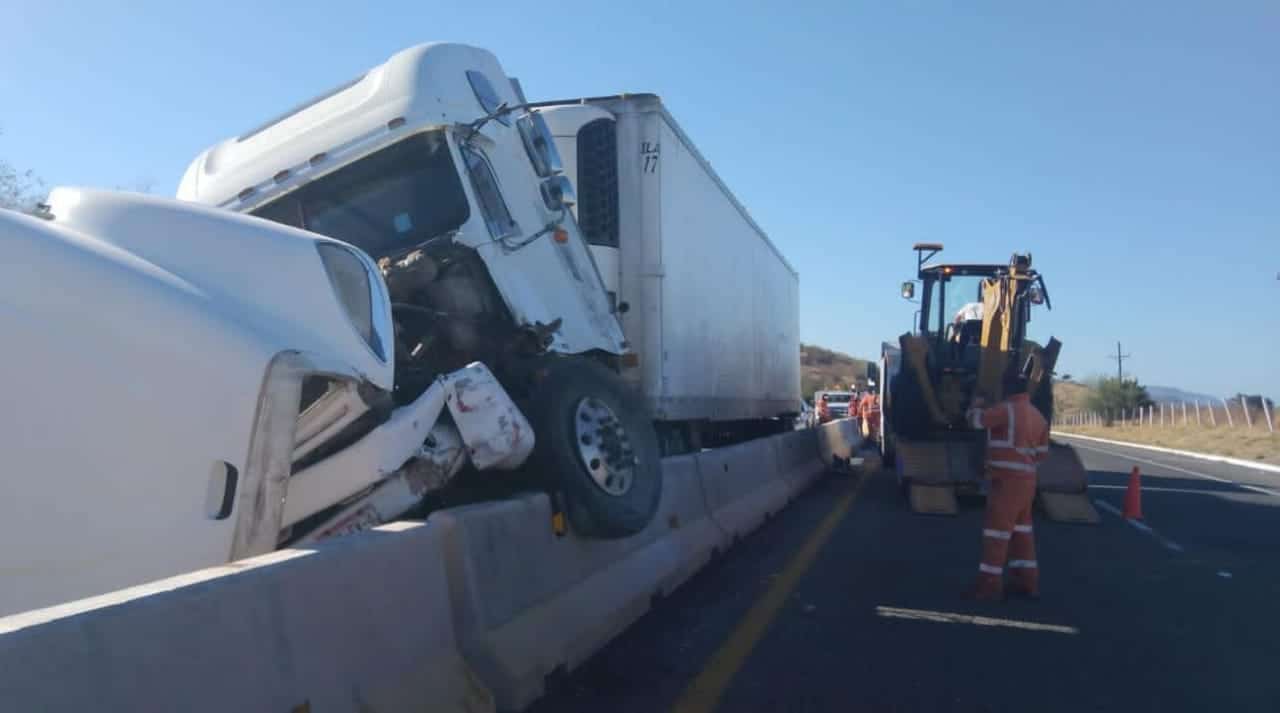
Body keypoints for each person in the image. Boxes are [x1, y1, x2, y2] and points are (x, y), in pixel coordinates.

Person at [965, 373, 1050, 601]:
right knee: (1022, 534)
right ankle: (1027, 583)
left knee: (997, 534)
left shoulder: (1006, 410)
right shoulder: (1038, 416)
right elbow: (1041, 455)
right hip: (1027, 483)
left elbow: (976, 422)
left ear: (1008, 389)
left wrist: (976, 405)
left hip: (1006, 483)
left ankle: (988, 588)